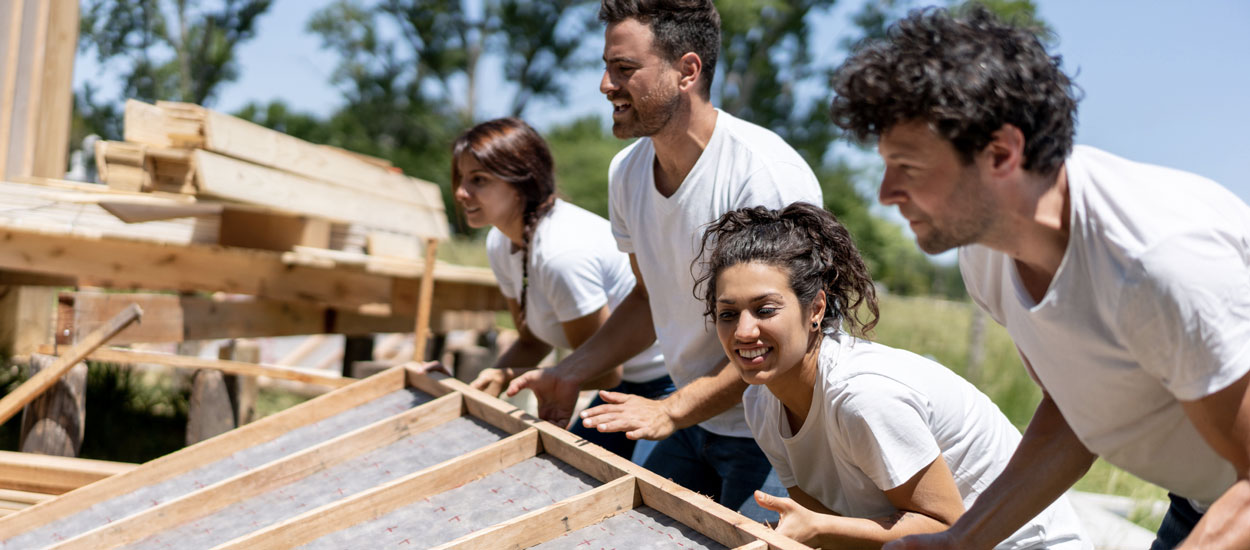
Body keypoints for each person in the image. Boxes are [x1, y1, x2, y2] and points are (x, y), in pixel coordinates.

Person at [827, 7, 1250, 550]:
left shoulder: (1159, 264)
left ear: (1002, 153)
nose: (885, 193)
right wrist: (962, 541)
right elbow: (1079, 412)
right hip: (1204, 505)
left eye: (908, 167)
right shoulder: (986, 255)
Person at [505, 0, 822, 513]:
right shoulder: (626, 173)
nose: (605, 85)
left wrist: (672, 409)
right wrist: (570, 371)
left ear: (687, 71)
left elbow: (785, 335)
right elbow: (648, 297)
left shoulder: (761, 175)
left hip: (777, 427)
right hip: (688, 414)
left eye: (624, 69)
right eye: (607, 67)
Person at [695, 203, 1089, 549]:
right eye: (728, 314)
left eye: (764, 309)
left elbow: (945, 527)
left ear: (815, 309)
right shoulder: (761, 403)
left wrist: (819, 529)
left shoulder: (862, 396)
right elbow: (822, 520)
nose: (743, 331)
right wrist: (815, 528)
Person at [437, 117, 674, 460]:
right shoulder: (500, 243)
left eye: (478, 180)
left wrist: (511, 377)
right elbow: (533, 339)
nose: (461, 192)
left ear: (522, 182)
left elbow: (605, 372)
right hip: (622, 385)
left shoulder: (561, 254)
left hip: (666, 384)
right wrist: (489, 382)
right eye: (460, 179)